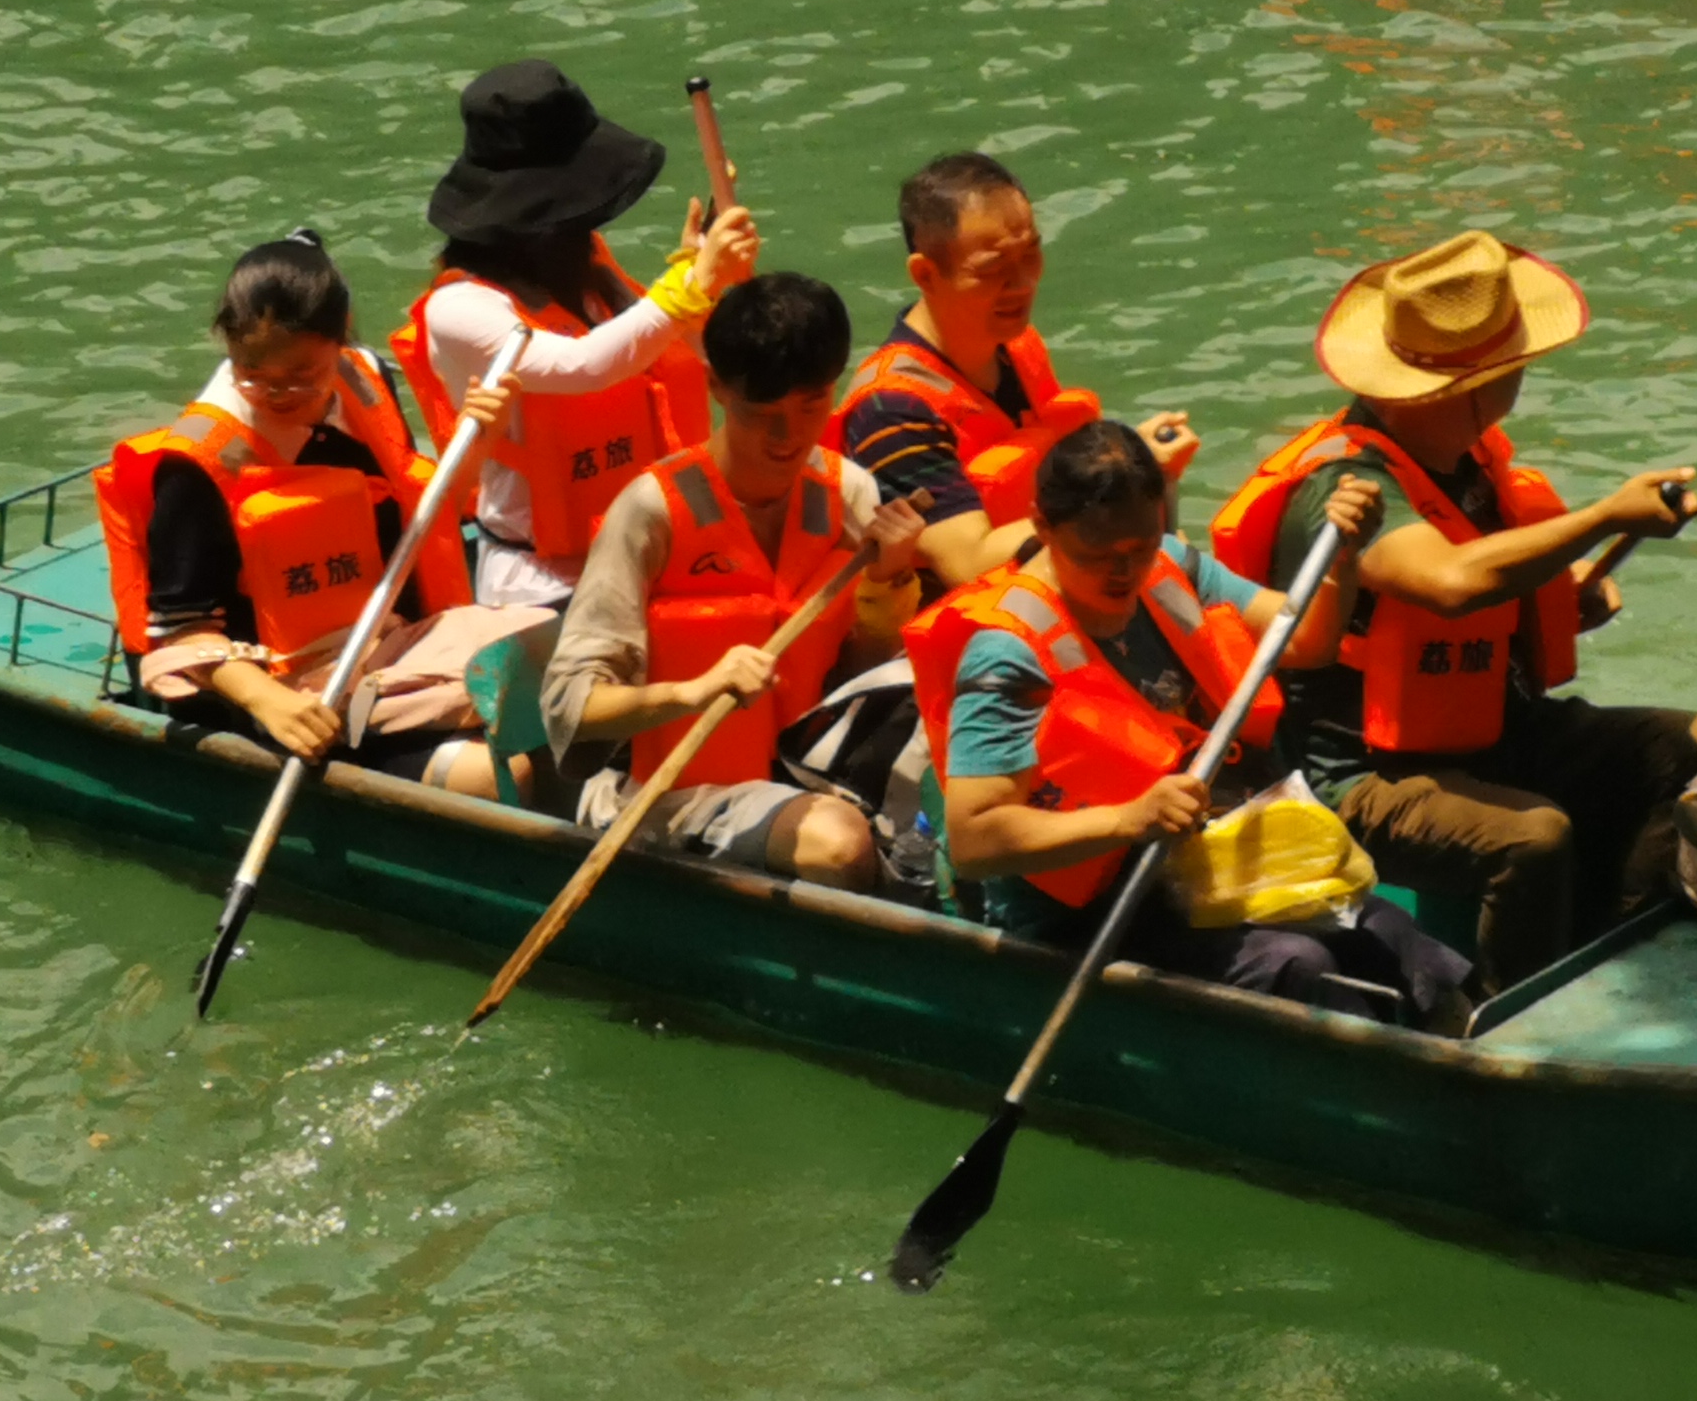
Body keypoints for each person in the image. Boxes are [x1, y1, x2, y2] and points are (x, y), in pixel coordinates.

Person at [1209, 231, 1697, 990]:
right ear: (1473, 387)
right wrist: (1602, 518)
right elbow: (1451, 582)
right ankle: (1505, 1010)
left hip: (1492, 731)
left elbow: (1486, 577)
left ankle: (1611, 946)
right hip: (1367, 776)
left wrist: (1565, 592)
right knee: (1533, 837)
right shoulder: (1345, 488)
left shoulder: (1469, 462)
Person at [918, 421, 1473, 1024]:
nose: (1123, 572)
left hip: (1197, 866)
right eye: (1095, 555)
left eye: (1138, 548)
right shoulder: (1007, 655)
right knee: (1296, 962)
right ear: (1043, 527)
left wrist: (1340, 558)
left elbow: (1304, 641)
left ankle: (1457, 1043)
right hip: (1087, 908)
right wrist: (1128, 819)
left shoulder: (1172, 568)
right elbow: (974, 838)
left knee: (1389, 932)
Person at [97, 230, 531, 791]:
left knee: (561, 659)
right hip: (288, 690)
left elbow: (419, 513)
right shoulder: (196, 466)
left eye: (302, 374)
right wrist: (268, 701)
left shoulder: (361, 381)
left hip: (388, 644)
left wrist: (479, 439)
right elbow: (181, 632)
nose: (278, 394)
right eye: (253, 373)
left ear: (340, 336)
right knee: (505, 771)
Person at [538, 271, 929, 893]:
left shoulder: (850, 494)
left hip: (812, 775)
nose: (788, 438)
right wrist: (693, 692)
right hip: (672, 797)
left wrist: (890, 580)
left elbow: (861, 675)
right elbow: (570, 709)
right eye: (762, 414)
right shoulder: (651, 512)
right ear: (716, 386)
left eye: (811, 407)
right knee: (837, 843)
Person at [389, 60, 759, 612]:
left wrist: (709, 275)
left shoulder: (588, 271)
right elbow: (582, 366)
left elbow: (680, 349)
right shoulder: (458, 307)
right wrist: (691, 281)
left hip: (651, 547)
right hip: (543, 585)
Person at [834, 151, 1199, 594]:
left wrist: (1136, 462)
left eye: (1031, 254)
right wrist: (1124, 481)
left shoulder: (1016, 345)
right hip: (981, 623)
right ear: (926, 275)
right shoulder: (891, 410)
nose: (1023, 283)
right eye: (994, 269)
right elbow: (968, 563)